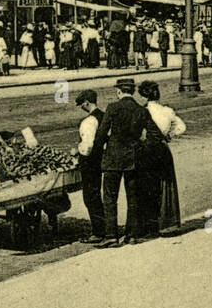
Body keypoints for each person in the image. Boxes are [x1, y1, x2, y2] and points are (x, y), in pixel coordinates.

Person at [95, 78, 165, 248]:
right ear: (132, 91)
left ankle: (111, 235)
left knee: (110, 197)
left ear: (119, 91)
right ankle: (131, 235)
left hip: (113, 158)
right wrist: (140, 147)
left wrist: (101, 150)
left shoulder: (112, 108)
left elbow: (101, 134)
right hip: (133, 159)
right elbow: (156, 135)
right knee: (133, 197)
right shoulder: (141, 110)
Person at [139, 80, 185, 236]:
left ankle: (149, 223)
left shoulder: (142, 111)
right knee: (165, 185)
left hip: (147, 150)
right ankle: (167, 222)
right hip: (163, 149)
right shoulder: (167, 111)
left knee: (147, 186)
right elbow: (181, 127)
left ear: (143, 96)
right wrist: (170, 135)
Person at [73, 90, 108, 244]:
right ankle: (103, 228)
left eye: (81, 104)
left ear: (87, 102)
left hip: (90, 163)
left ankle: (98, 232)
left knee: (90, 197)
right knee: (96, 194)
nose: (81, 107)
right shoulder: (104, 115)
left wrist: (77, 150)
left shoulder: (89, 121)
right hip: (101, 159)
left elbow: (87, 147)